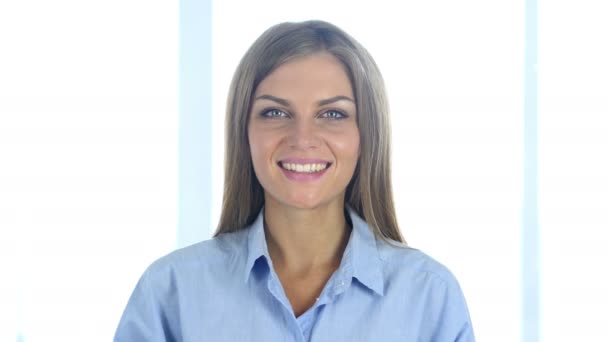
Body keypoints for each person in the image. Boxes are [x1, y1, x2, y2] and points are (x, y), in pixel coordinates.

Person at [114, 20, 475, 341]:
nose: (302, 138)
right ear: (244, 133)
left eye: (332, 113)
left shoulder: (429, 296)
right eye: (275, 112)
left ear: (367, 135)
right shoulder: (170, 292)